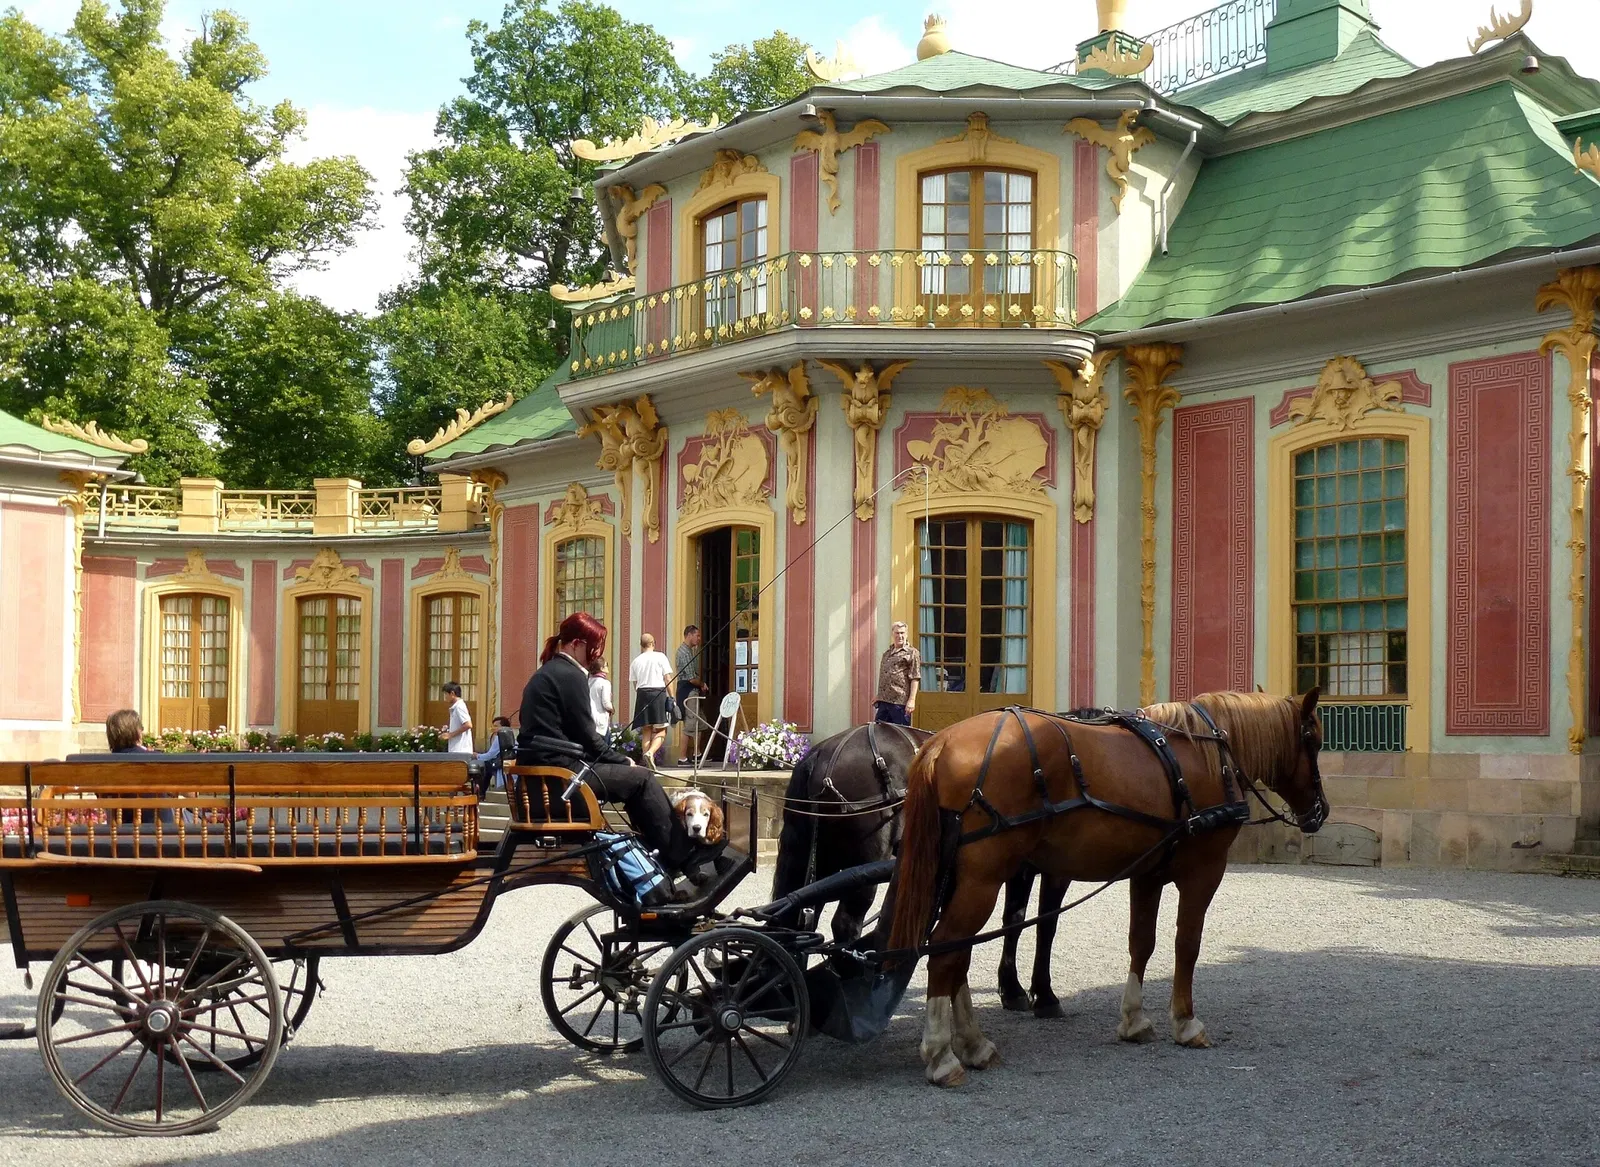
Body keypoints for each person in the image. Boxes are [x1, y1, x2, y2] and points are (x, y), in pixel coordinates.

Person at [518, 612, 691, 875]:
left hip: (550, 773)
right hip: (562, 778)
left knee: (632, 780)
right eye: (593, 647)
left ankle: (657, 854)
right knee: (641, 778)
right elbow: (588, 737)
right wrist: (623, 760)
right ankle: (680, 857)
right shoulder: (570, 674)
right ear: (576, 644)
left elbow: (579, 737)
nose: (595, 655)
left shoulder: (550, 671)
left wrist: (616, 760)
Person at [629, 633, 673, 768]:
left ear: (641, 646)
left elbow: (634, 683)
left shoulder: (636, 661)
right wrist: (671, 697)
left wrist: (642, 693)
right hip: (658, 692)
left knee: (646, 729)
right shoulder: (660, 657)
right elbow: (667, 678)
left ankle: (648, 762)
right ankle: (651, 753)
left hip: (642, 694)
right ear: (653, 643)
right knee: (662, 730)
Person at [874, 621, 921, 726]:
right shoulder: (887, 653)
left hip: (900, 702)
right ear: (892, 634)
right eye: (897, 633)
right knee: (879, 734)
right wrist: (879, 695)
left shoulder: (912, 653)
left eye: (902, 633)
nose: (900, 636)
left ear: (906, 634)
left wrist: (911, 700)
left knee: (900, 736)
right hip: (884, 702)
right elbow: (886, 675)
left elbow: (915, 677)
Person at [674, 625, 708, 764]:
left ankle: (697, 754)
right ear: (689, 635)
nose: (699, 639)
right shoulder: (684, 653)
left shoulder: (689, 651)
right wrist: (702, 684)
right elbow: (690, 678)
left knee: (699, 722)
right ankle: (682, 757)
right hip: (688, 691)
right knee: (690, 725)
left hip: (692, 691)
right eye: (697, 635)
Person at [473, 716, 514, 795]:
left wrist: (477, 755)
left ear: (503, 727)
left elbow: (490, 755)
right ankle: (481, 793)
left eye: (496, 726)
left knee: (484, 766)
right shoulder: (509, 736)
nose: (493, 728)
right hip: (504, 762)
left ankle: (480, 793)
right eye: (493, 726)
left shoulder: (499, 738)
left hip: (501, 763)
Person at [441, 682, 474, 755]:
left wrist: (450, 735)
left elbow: (468, 725)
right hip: (457, 749)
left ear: (452, 693)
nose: (445, 697)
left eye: (446, 694)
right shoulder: (456, 707)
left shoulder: (459, 706)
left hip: (460, 750)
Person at [589, 661, 614, 741]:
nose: (608, 668)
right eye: (606, 666)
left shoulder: (588, 681)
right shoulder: (605, 683)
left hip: (589, 720)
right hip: (600, 722)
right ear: (601, 668)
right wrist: (612, 709)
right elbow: (606, 703)